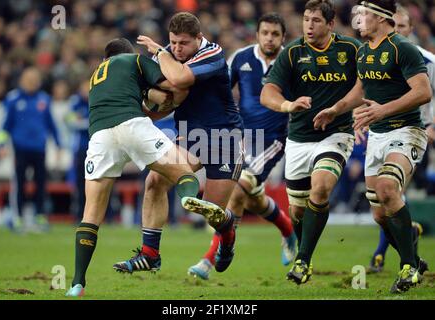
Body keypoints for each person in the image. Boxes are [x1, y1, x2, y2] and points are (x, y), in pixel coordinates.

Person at [66, 38, 232, 297]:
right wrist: (166, 102)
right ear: (128, 54)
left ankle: (77, 284)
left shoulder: (96, 76)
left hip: (99, 136)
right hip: (132, 125)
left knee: (91, 215)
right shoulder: (134, 60)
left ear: (104, 59)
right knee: (183, 173)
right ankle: (189, 199)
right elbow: (172, 87)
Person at [313, 0, 431, 293]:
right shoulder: (365, 50)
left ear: (379, 18)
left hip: (406, 130)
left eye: (363, 15)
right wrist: (336, 108)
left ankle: (408, 268)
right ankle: (414, 260)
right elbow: (361, 89)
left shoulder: (402, 48)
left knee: (389, 188)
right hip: (377, 136)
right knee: (379, 214)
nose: (358, 20)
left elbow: (423, 91)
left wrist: (383, 111)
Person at [132, 12, 244, 275]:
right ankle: (150, 254)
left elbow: (180, 79)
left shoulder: (212, 53)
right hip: (191, 137)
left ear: (199, 38)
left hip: (225, 138)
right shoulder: (168, 54)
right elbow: (158, 109)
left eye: (184, 43)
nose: (177, 49)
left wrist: (161, 54)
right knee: (155, 180)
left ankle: (227, 240)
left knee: (213, 214)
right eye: (173, 42)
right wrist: (150, 97)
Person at [187, 13, 296, 281]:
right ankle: (288, 231)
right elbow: (222, 92)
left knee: (237, 191)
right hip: (241, 137)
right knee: (254, 199)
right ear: (257, 34)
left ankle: (210, 259)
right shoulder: (241, 58)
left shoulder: (291, 62)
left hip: (272, 139)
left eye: (275, 34)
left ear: (283, 38)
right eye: (265, 33)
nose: (269, 38)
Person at [261, 0, 361, 284]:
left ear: (330, 24)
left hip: (336, 133)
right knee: (298, 210)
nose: (309, 25)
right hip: (300, 139)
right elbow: (268, 92)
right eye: (306, 19)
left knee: (321, 187)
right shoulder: (292, 52)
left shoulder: (350, 50)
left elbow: (364, 85)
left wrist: (338, 109)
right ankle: (307, 253)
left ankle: (303, 261)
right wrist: (287, 105)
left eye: (316, 20)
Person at [367, 4, 434, 273]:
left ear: (410, 30)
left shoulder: (428, 62)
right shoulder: (377, 57)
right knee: (383, 206)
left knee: (389, 190)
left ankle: (390, 257)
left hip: (419, 132)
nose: (397, 32)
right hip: (384, 133)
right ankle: (408, 249)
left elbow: (424, 94)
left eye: (402, 27)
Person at [0, 67, 62, 233]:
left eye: (35, 78)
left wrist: (59, 144)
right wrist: (1, 145)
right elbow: (5, 126)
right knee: (20, 183)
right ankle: (17, 218)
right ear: (22, 80)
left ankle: (39, 216)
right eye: (29, 78)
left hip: (39, 148)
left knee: (41, 183)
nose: (32, 82)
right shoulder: (13, 99)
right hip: (20, 148)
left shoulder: (44, 99)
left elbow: (51, 124)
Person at [64, 79, 90, 222]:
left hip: (96, 147)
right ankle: (79, 214)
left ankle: (107, 215)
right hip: (81, 149)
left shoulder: (96, 99)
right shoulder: (75, 102)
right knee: (80, 183)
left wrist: (82, 122)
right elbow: (70, 122)